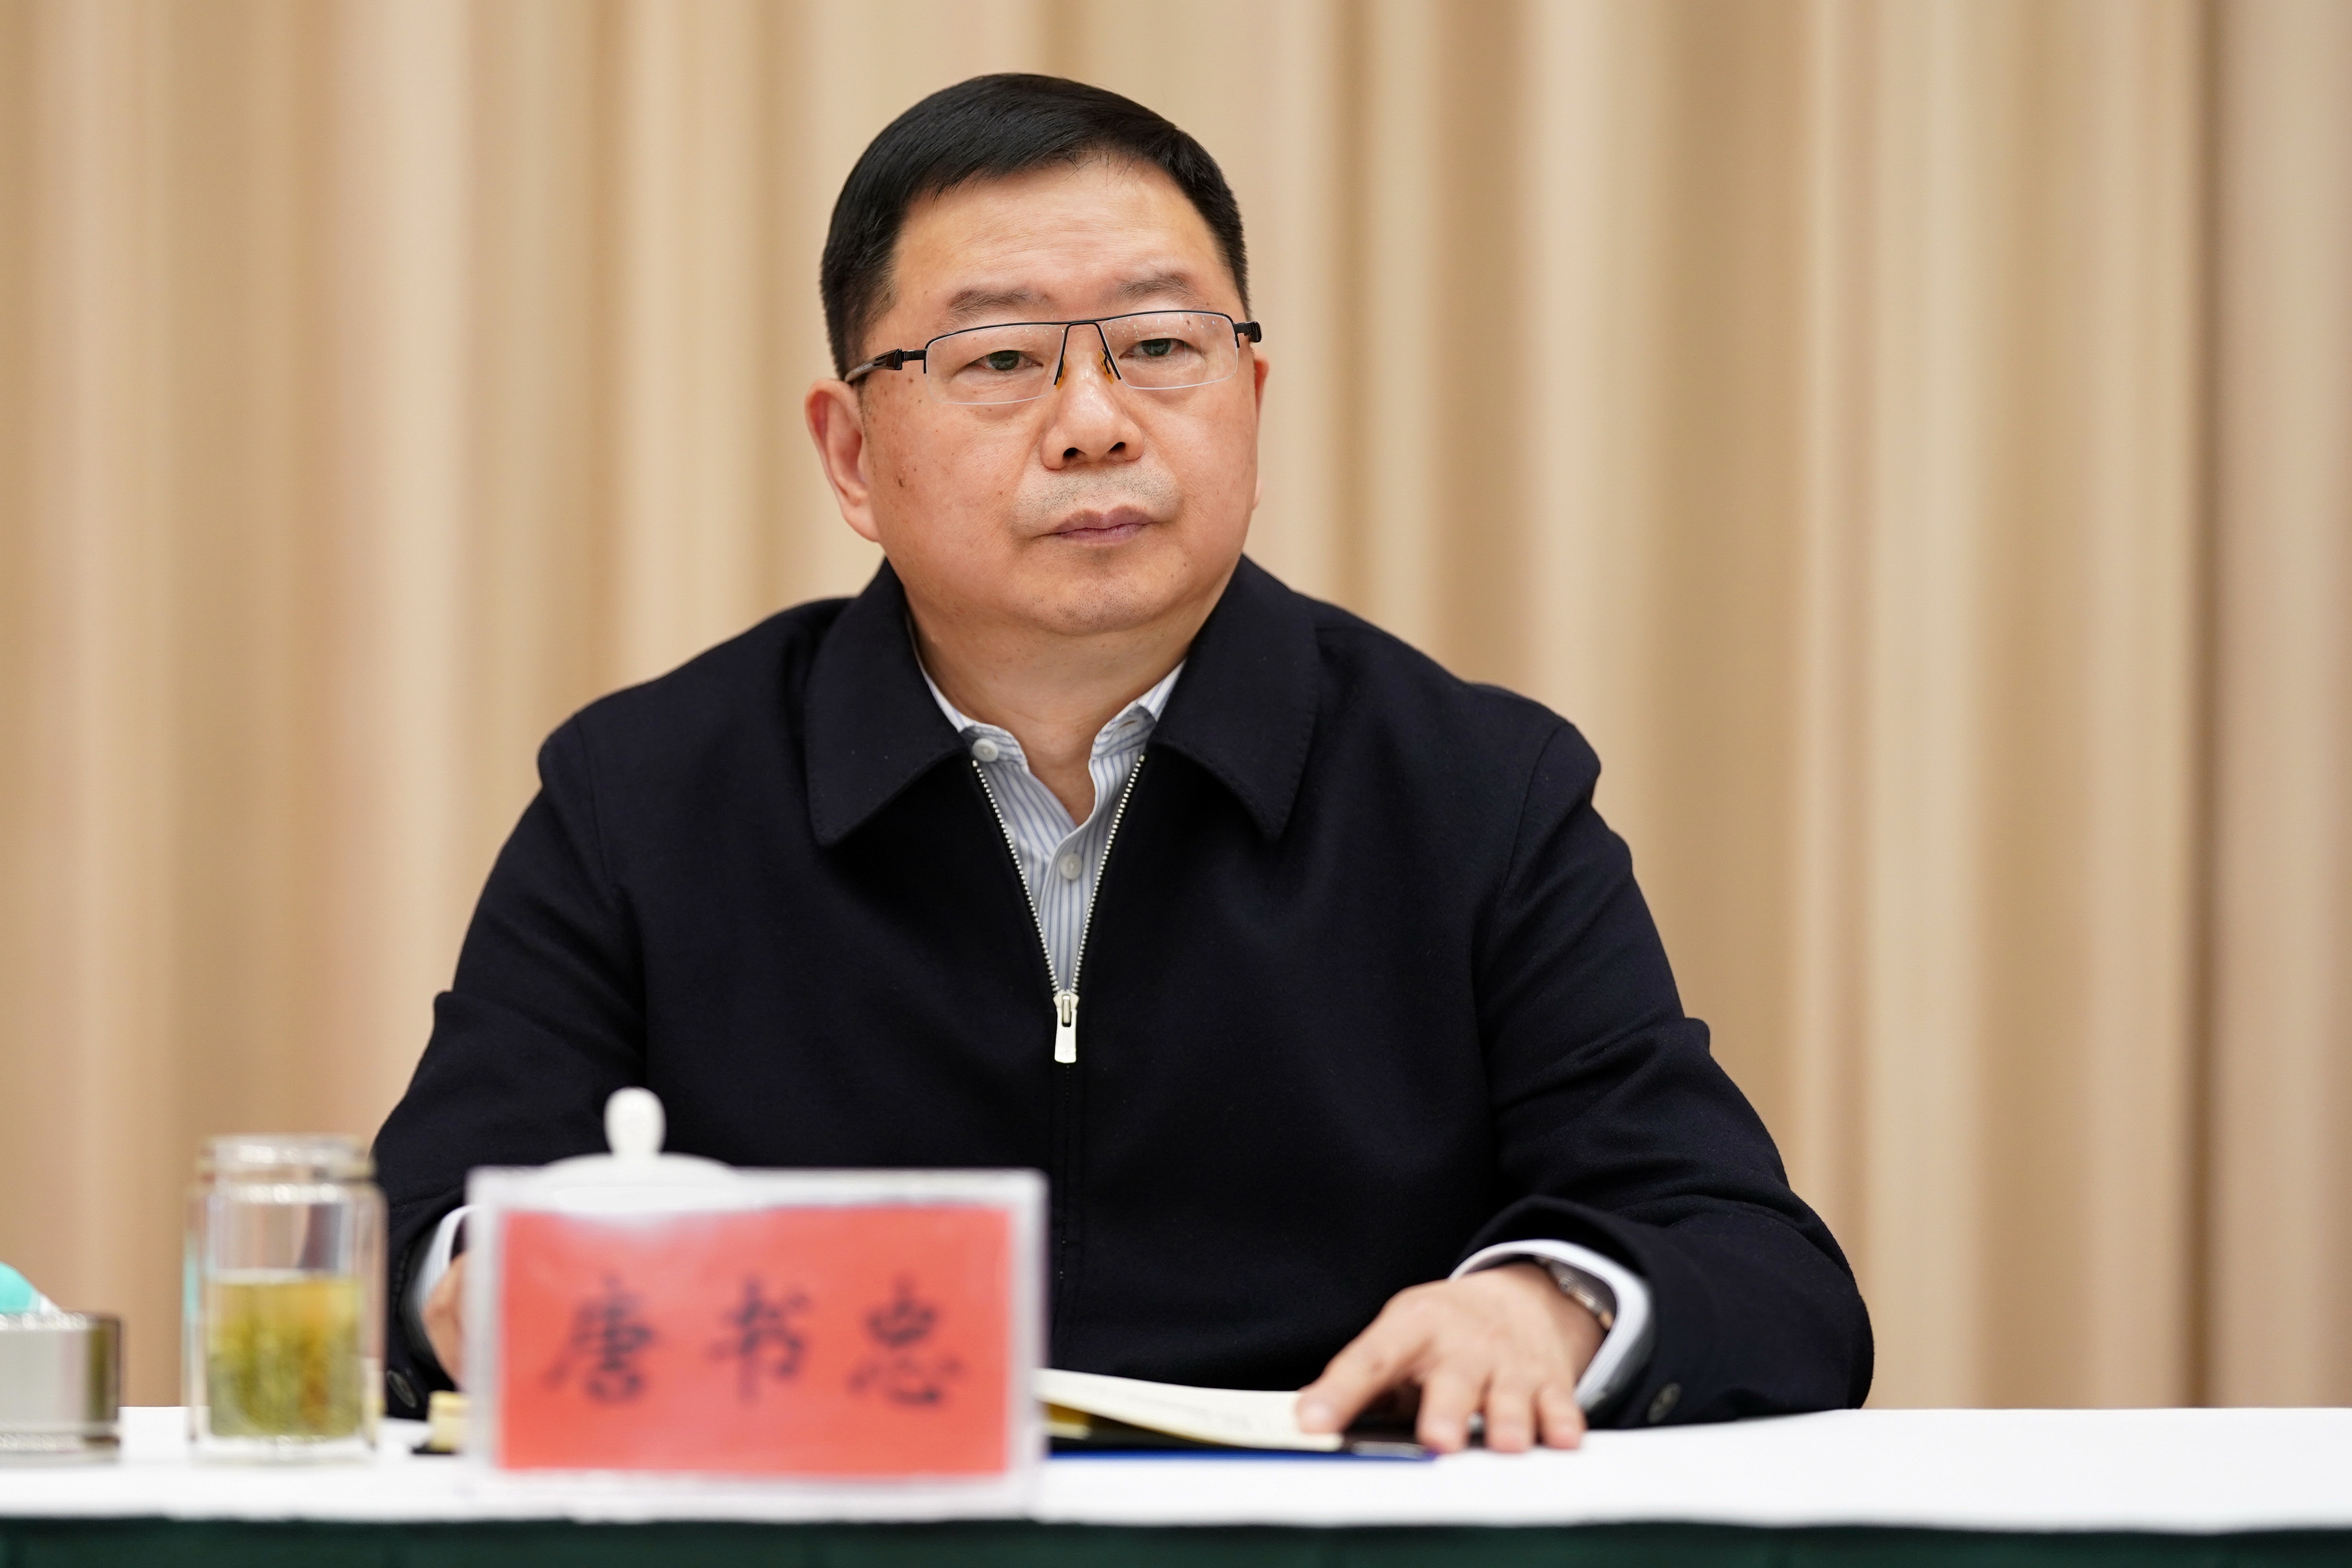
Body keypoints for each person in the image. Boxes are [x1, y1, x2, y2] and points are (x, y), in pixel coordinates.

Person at [372, 74, 1871, 1452]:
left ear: (1252, 402)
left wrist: (1545, 1310)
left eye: (1160, 347)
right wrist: (488, 1294)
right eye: (999, 358)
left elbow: (1753, 1265)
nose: (1094, 424)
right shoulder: (649, 795)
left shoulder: (1476, 790)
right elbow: (416, 1235)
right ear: (851, 456)